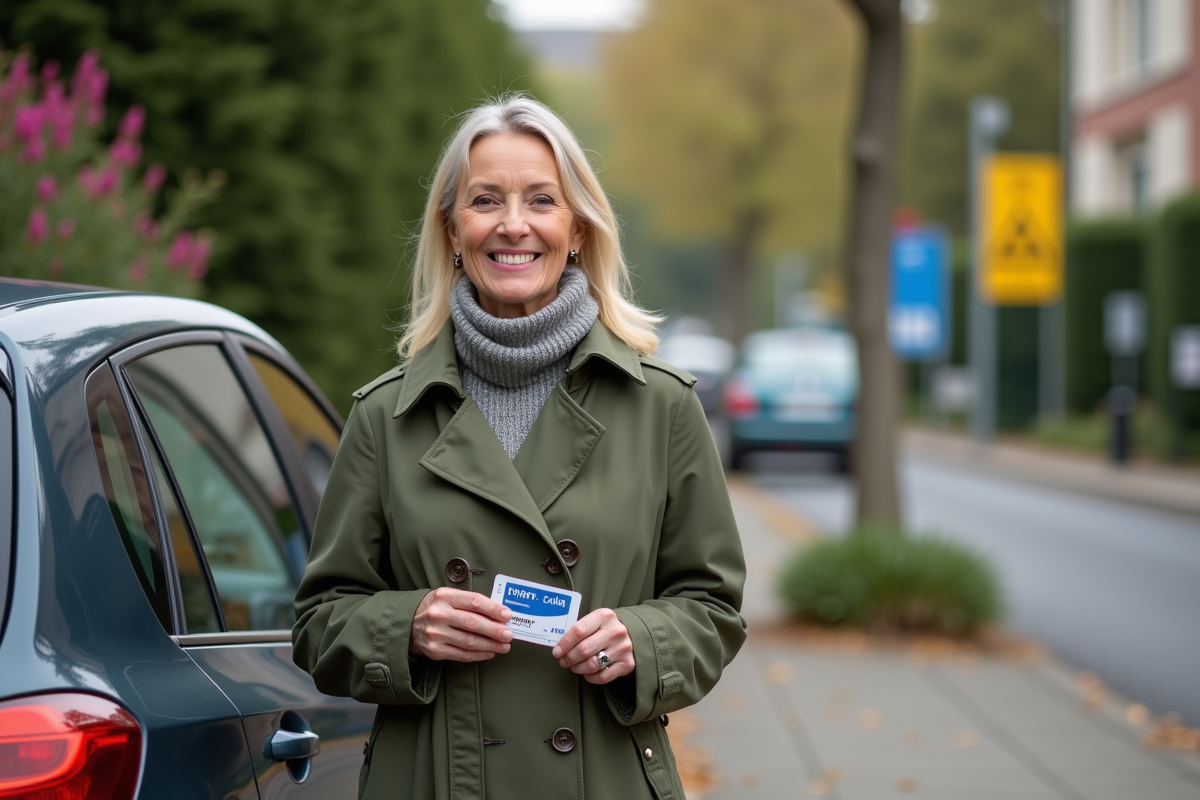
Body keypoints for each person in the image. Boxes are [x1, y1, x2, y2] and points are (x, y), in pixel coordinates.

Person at [292, 94, 747, 800]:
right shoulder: (386, 413)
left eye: (541, 200)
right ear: (451, 229)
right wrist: (406, 625)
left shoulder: (662, 404)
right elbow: (320, 622)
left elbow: (713, 608)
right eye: (485, 201)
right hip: (437, 779)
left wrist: (642, 640)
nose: (513, 225)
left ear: (576, 229)